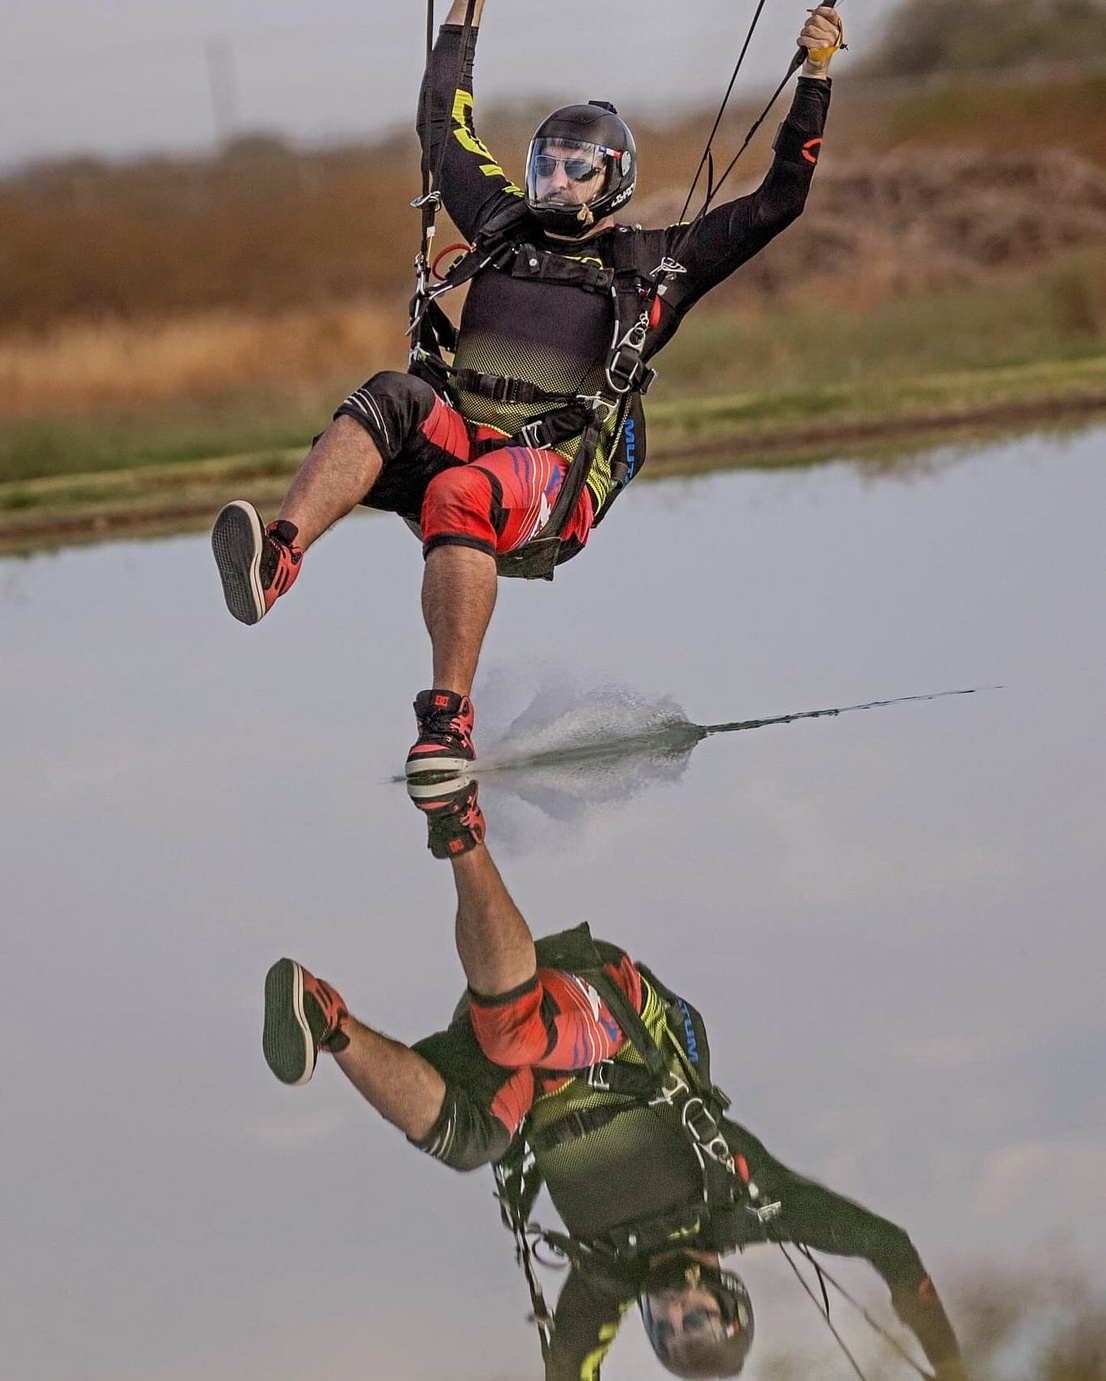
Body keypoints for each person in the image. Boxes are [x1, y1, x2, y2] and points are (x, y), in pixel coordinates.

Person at [211, 0, 844, 778]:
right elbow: (443, 126)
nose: (558, 179)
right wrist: (464, 17)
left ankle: (445, 723)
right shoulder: (500, 225)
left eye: (579, 167)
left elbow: (779, 198)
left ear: (613, 180)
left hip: (554, 478)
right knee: (386, 393)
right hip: (461, 448)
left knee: (460, 498)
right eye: (548, 162)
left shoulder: (654, 266)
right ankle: (277, 559)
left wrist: (815, 71)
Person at [261, 789, 970, 1380]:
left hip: (518, 1070)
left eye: (667, 1334)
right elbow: (887, 1246)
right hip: (609, 1014)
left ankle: (325, 1018)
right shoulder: (744, 1202)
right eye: (697, 1322)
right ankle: (458, 821)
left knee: (469, 1143)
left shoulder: (605, 1281)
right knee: (515, 1030)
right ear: (729, 1300)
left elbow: (569, 1369)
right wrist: (952, 1365)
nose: (672, 1316)